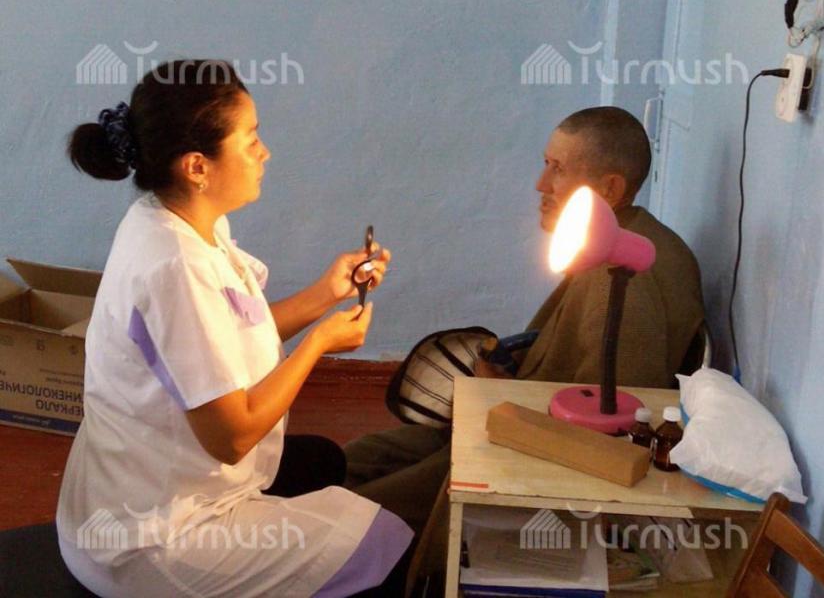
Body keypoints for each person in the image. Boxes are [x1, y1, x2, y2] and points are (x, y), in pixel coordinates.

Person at [57, 60, 411, 598]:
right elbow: (233, 437)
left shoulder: (178, 219)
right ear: (197, 166)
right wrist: (319, 343)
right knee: (386, 548)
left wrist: (326, 293)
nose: (264, 153)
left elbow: (232, 334)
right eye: (251, 140)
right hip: (152, 540)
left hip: (136, 490)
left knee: (322, 461)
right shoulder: (174, 266)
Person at [343, 107, 705, 576]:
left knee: (356, 513)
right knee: (355, 458)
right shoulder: (615, 242)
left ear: (610, 190)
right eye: (545, 164)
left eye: (558, 169)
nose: (540, 184)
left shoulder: (622, 280)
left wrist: (500, 394)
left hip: (533, 450)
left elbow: (611, 430)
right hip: (515, 416)